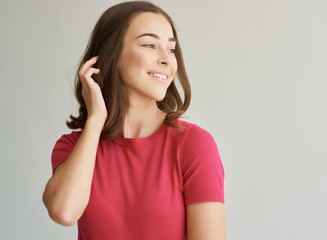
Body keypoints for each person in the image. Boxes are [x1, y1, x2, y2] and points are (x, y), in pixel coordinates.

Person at [42, 1, 226, 239]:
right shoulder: (73, 147)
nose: (166, 60)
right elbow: (64, 212)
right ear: (112, 54)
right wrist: (96, 120)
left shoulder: (194, 145)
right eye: (150, 45)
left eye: (171, 49)